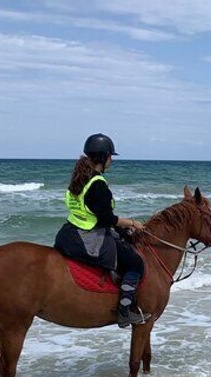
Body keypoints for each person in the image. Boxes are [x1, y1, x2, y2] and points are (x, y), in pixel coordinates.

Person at [54, 133, 151, 328]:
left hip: (68, 233)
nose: (112, 160)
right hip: (88, 237)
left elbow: (91, 210)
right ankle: (124, 312)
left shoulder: (80, 178)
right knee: (135, 264)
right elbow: (107, 219)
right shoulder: (97, 183)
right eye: (111, 156)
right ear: (104, 157)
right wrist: (132, 223)